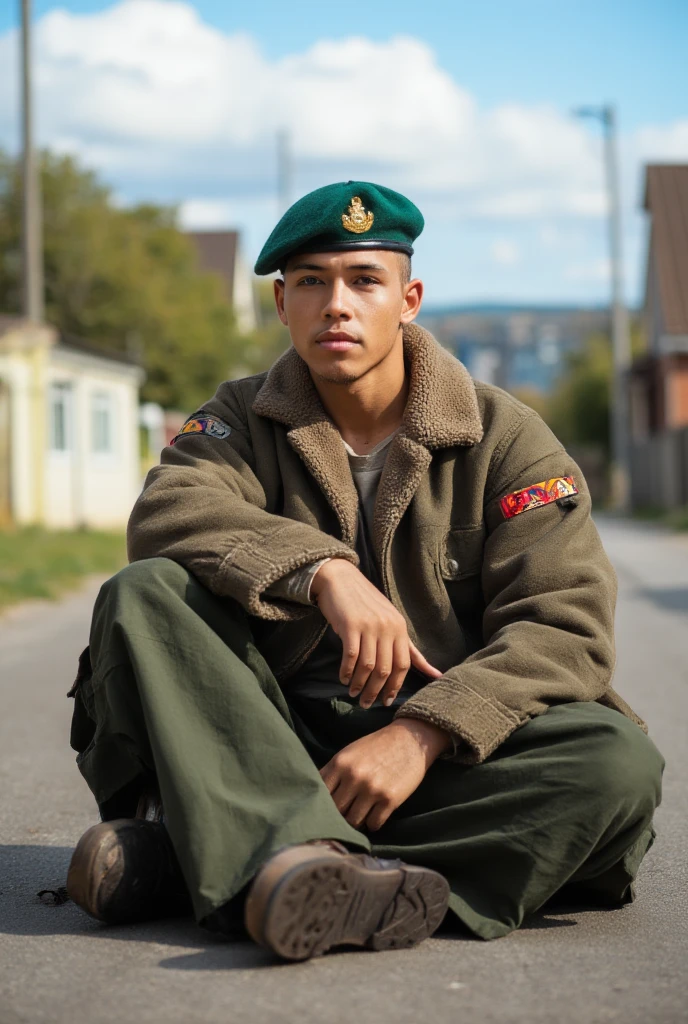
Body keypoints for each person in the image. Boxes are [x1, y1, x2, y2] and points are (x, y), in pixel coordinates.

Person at [66, 181, 664, 961]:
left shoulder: (506, 437)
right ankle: (299, 853)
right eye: (311, 282)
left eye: (363, 281)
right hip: (262, 733)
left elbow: (566, 629)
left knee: (614, 765)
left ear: (408, 298)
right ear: (282, 307)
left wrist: (421, 734)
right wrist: (320, 571)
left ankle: (219, 855)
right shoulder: (241, 418)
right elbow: (166, 510)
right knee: (144, 592)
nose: (335, 305)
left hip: (441, 754)